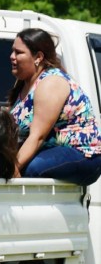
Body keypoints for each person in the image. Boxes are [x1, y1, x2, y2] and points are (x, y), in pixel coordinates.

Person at [7, 28, 101, 186]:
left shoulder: (51, 82)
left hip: (82, 154)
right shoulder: (24, 84)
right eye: (12, 51)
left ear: (38, 57)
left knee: (30, 168)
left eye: (18, 52)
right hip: (51, 150)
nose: (12, 57)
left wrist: (13, 168)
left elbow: (38, 137)